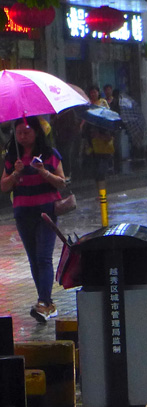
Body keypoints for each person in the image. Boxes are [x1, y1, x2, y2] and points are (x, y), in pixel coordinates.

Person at [0, 117, 68, 323]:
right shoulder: (13, 158)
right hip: (23, 213)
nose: (22, 136)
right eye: (19, 133)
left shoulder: (49, 154)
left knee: (44, 257)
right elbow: (4, 186)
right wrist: (15, 174)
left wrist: (44, 172)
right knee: (33, 259)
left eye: (26, 132)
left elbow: (62, 182)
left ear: (36, 132)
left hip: (46, 212)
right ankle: (46, 304)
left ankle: (44, 301)